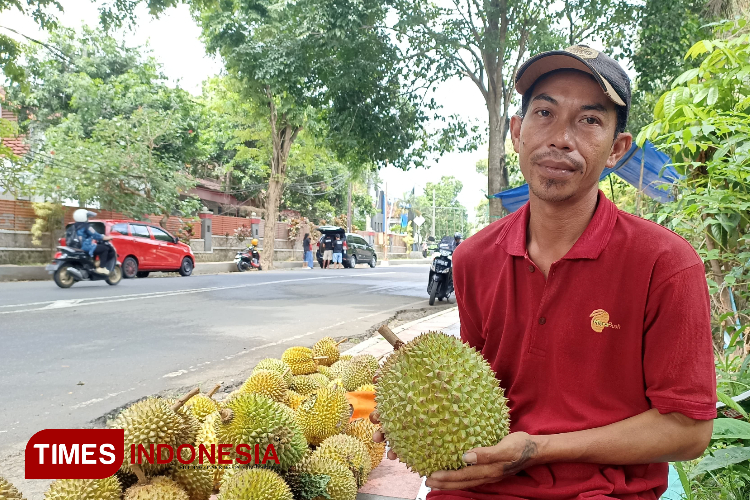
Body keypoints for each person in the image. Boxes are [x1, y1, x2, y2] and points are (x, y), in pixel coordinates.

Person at [372, 45, 716, 500]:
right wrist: (414, 414)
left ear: (617, 149)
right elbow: (474, 387)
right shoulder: (473, 258)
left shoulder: (666, 263)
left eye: (589, 120)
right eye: (544, 113)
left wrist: (538, 450)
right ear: (517, 132)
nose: (561, 138)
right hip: (479, 488)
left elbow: (689, 431)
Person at [73, 209, 114, 275]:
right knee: (105, 249)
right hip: (86, 246)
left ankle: (94, 262)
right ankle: (102, 267)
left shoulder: (74, 226)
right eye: (87, 217)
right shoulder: (86, 226)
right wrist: (108, 237)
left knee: (96, 247)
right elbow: (95, 235)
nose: (88, 218)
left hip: (76, 246)